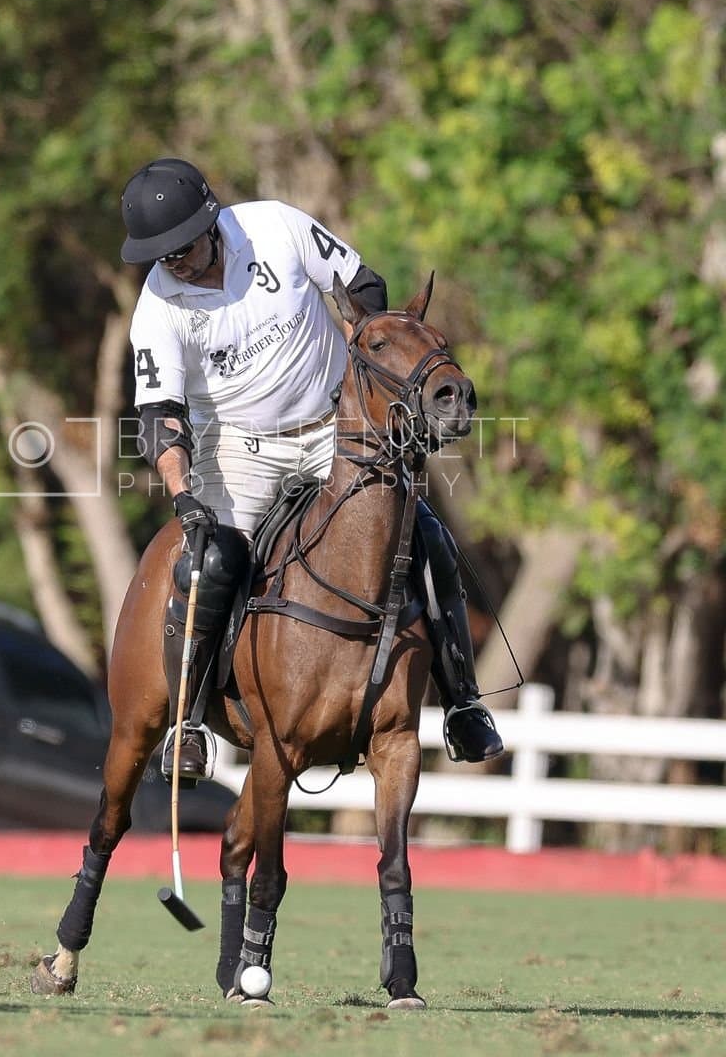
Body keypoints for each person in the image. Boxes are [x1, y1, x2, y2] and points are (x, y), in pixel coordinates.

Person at [121, 157, 503, 779]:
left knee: (427, 535)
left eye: (182, 248)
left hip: (334, 426)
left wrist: (368, 346)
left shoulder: (275, 228)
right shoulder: (158, 310)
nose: (173, 262)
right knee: (208, 564)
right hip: (241, 447)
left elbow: (362, 283)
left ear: (210, 222)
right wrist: (182, 490)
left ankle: (463, 704)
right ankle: (189, 725)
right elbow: (159, 415)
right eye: (160, 255)